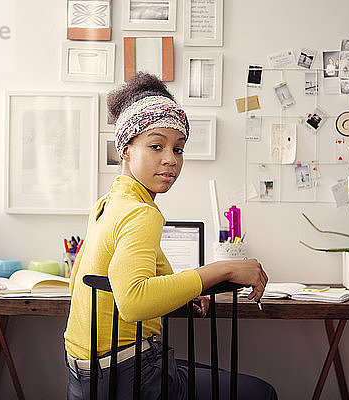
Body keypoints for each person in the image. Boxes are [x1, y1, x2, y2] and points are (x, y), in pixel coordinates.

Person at [64, 73, 277, 400]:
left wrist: (183, 288)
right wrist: (222, 270)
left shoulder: (108, 204)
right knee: (261, 393)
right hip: (130, 376)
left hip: (86, 378)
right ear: (125, 148)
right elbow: (134, 302)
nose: (170, 160)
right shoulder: (141, 213)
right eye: (156, 145)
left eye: (178, 149)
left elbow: (90, 276)